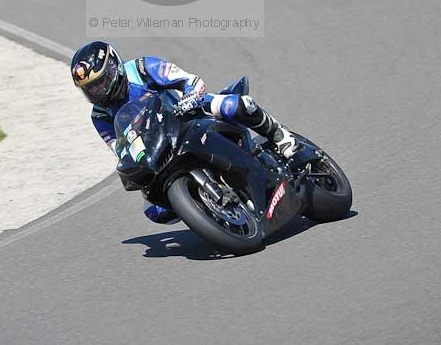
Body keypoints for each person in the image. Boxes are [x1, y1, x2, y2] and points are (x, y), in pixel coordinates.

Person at [71, 40, 298, 225]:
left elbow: (190, 80)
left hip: (187, 113)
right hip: (157, 144)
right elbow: (120, 148)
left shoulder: (141, 69)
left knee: (233, 106)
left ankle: (279, 135)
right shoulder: (99, 116)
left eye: (100, 83)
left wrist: (190, 96)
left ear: (114, 68)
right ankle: (206, 208)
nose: (97, 90)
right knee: (155, 210)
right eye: (90, 88)